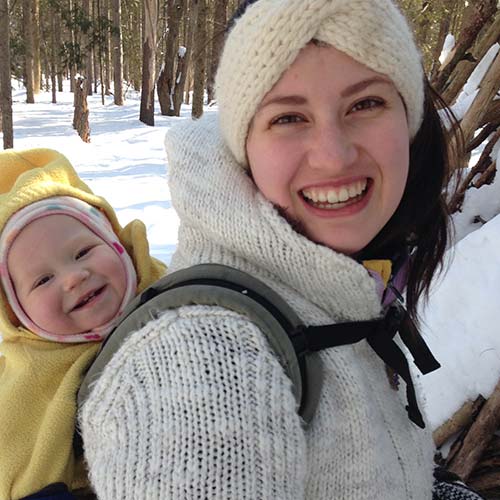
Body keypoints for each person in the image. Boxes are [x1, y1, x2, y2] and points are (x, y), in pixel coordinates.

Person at [79, 1, 474, 498]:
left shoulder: (350, 285)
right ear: (243, 144)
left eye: (365, 104)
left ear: (408, 118)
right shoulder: (202, 359)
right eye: (288, 117)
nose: (333, 155)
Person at [0, 148, 166, 500]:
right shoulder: (28, 376)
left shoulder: (174, 294)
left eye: (82, 253)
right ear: (17, 312)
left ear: (115, 243)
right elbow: (15, 462)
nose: (73, 278)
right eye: (43, 280)